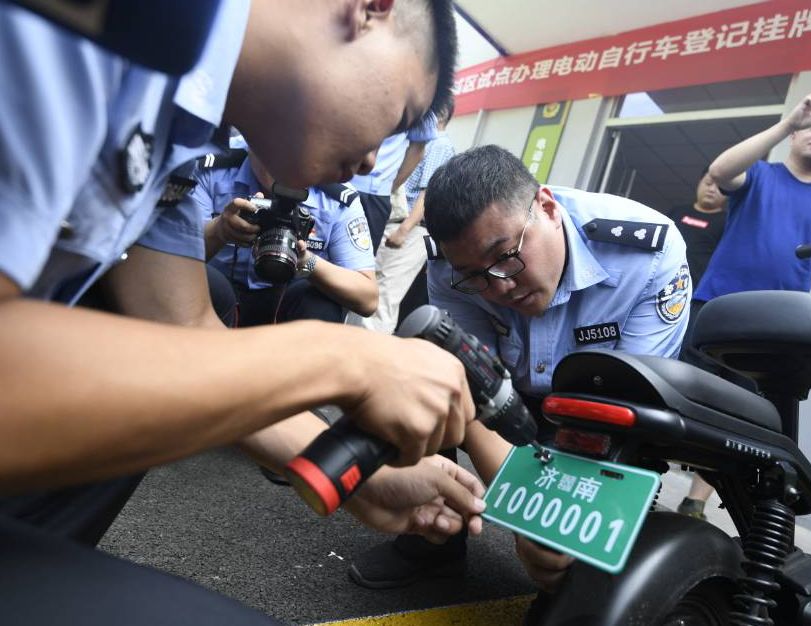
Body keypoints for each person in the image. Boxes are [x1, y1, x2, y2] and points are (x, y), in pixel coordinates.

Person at [0, 2, 482, 623]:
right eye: (403, 117)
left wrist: (359, 474)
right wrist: (344, 357)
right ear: (369, 11)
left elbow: (186, 333)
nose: (373, 162)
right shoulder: (118, 24)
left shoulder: (174, 127)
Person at [349, 144, 690, 593]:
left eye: (506, 256)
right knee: (420, 387)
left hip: (605, 409)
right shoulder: (449, 264)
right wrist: (525, 516)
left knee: (600, 576)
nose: (500, 286)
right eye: (475, 276)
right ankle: (434, 545)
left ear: (546, 207)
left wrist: (561, 519)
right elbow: (470, 388)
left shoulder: (647, 255)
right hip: (505, 396)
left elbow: (630, 411)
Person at [685, 90, 811, 364]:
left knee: (754, 403)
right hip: (718, 306)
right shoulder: (759, 173)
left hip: (781, 323)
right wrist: (789, 121)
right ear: (794, 135)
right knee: (691, 396)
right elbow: (719, 172)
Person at [198, 142, 378, 327]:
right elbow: (171, 259)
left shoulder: (336, 199)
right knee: (206, 281)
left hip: (287, 303)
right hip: (219, 301)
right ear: (250, 140)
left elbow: (368, 299)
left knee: (319, 302)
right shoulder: (212, 171)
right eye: (273, 156)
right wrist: (220, 230)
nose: (283, 171)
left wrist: (307, 262)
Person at [355, 98, 455, 335]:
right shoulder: (425, 143)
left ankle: (368, 360)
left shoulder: (439, 144)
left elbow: (427, 191)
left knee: (384, 297)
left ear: (438, 114)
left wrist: (404, 230)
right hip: (395, 224)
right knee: (370, 291)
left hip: (409, 229)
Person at [669, 169, 727, 520]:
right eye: (707, 180)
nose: (711, 188)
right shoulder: (676, 212)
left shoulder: (729, 225)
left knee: (714, 395)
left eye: (720, 186)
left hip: (704, 307)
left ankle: (695, 501)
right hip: (667, 299)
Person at [350, 113, 439, 253]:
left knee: (357, 261)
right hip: (334, 179)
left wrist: (389, 187)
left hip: (373, 194)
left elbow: (417, 151)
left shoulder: (424, 101)